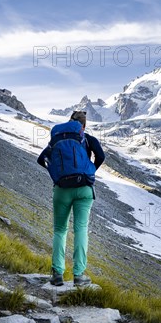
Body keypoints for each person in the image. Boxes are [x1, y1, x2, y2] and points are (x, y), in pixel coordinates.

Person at [37, 111, 105, 286]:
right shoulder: (87, 139)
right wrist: (89, 170)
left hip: (62, 189)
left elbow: (41, 159)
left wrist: (58, 174)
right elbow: (101, 156)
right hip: (84, 188)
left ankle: (57, 274)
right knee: (81, 229)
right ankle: (79, 275)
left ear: (70, 122)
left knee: (60, 230)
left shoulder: (58, 138)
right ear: (84, 125)